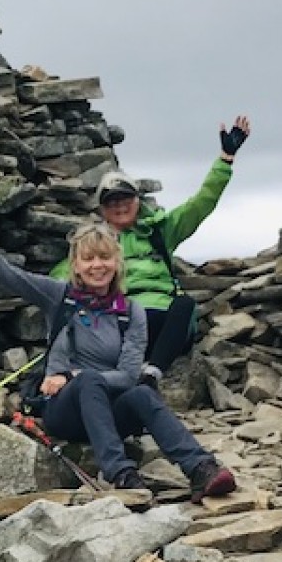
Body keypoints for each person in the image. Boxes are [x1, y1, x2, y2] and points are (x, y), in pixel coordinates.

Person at [0, 184, 237, 500]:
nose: (97, 266)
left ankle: (202, 468)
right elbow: (7, 274)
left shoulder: (132, 312)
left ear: (117, 263)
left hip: (110, 408)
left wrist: (71, 375)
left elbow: (128, 375)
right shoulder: (58, 297)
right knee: (92, 382)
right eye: (88, 259)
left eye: (104, 257)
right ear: (75, 265)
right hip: (64, 411)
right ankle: (121, 472)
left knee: (142, 394)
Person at [51, 117, 251, 384]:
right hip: (121, 320)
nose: (120, 206)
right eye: (112, 201)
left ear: (137, 201)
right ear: (102, 208)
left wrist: (225, 159)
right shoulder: (94, 246)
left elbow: (200, 204)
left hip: (165, 319)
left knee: (184, 305)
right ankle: (138, 369)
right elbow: (60, 281)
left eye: (125, 198)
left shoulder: (159, 231)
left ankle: (152, 372)